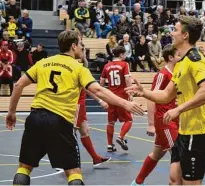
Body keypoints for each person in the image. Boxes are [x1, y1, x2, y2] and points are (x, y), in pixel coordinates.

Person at [6, 30, 144, 185]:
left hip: (35, 118)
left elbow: (18, 85)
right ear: (73, 46)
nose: (81, 47)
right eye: (80, 44)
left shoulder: (43, 63)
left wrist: (11, 112)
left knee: (24, 168)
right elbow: (98, 90)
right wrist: (127, 103)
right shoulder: (79, 68)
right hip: (60, 121)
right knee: (73, 172)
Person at [126, 16, 205, 185]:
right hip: (184, 132)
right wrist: (144, 92)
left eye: (175, 30)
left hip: (197, 133)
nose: (171, 33)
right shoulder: (181, 64)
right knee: (174, 178)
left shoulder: (195, 60)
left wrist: (179, 109)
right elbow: (166, 95)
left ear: (185, 35)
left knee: (190, 183)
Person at [131, 44, 181, 186]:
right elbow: (151, 97)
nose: (181, 57)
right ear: (170, 58)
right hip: (164, 121)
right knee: (179, 157)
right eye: (178, 55)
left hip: (173, 119)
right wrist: (151, 124)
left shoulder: (177, 74)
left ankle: (137, 182)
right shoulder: (162, 75)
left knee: (156, 154)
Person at [75, 48, 111, 167]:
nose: (85, 53)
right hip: (76, 105)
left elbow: (86, 88)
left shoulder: (80, 67)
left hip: (81, 104)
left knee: (84, 131)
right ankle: (63, 160)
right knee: (69, 134)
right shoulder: (79, 68)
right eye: (83, 50)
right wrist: (100, 100)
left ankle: (95, 158)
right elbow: (89, 88)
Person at [100, 46, 133, 152]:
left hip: (110, 97)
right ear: (121, 54)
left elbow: (101, 82)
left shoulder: (107, 66)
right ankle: (121, 137)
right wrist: (131, 95)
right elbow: (127, 79)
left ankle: (110, 145)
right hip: (122, 97)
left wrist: (104, 98)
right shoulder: (124, 64)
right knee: (129, 119)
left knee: (110, 122)